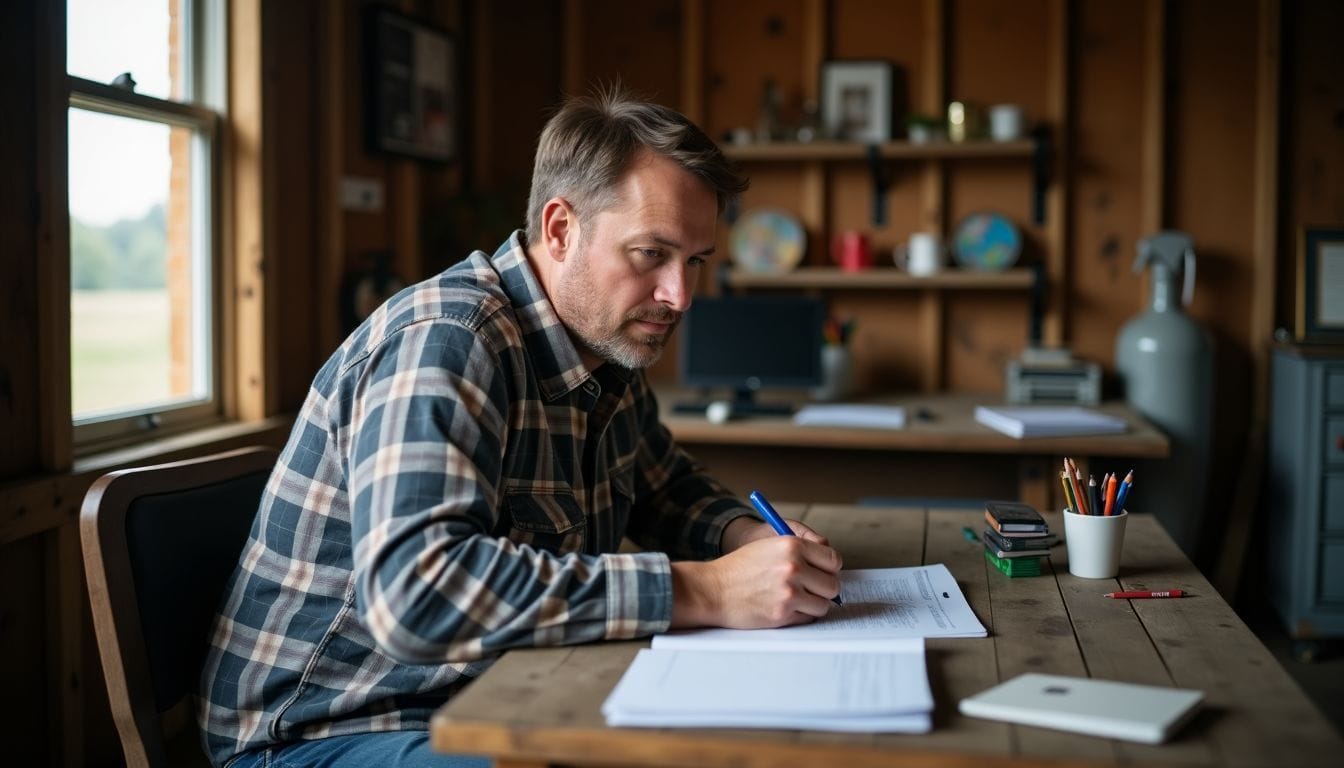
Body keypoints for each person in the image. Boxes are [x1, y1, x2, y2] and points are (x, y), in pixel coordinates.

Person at [199, 86, 845, 768]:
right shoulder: (447, 342)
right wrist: (708, 590)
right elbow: (418, 593)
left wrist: (745, 536)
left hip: (486, 689)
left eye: (695, 262)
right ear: (561, 229)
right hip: (325, 731)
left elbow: (661, 488)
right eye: (651, 254)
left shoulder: (607, 342)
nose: (679, 296)